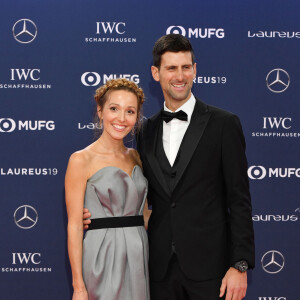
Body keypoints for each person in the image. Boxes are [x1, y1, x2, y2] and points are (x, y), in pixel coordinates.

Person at [84, 34, 255, 300]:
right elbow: (142, 196)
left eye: (186, 67)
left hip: (211, 270)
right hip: (157, 268)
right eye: (171, 68)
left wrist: (240, 265)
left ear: (195, 70)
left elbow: (240, 199)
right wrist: (98, 217)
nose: (180, 75)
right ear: (156, 73)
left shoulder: (224, 124)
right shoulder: (145, 129)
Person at [65, 78, 150, 300]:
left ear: (137, 117)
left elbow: (144, 213)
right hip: (102, 253)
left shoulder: (136, 157)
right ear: (100, 111)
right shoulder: (81, 159)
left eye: (130, 111)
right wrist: (78, 287)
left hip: (138, 253)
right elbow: (74, 224)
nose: (122, 118)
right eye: (114, 109)